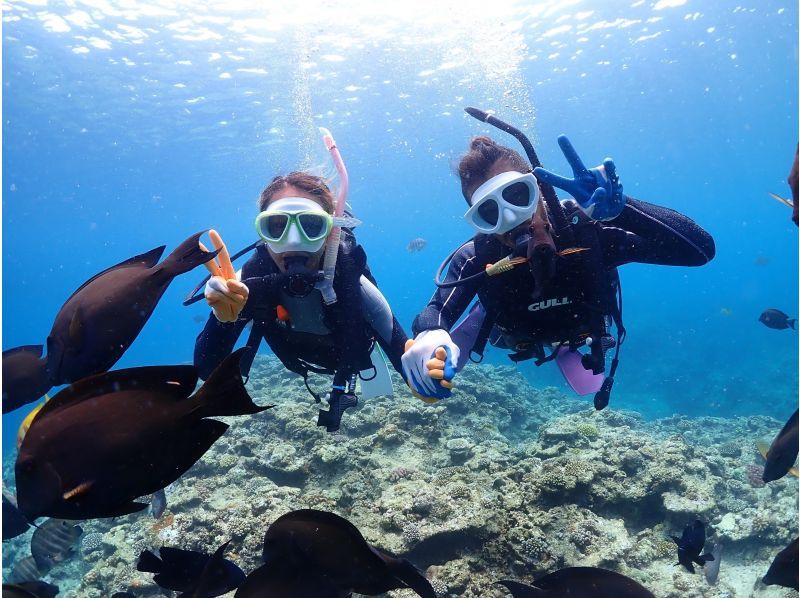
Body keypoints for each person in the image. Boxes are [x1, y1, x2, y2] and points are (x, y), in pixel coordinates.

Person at [402, 112, 715, 409]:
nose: (511, 219)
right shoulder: (478, 257)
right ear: (480, 223)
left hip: (581, 330)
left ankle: (565, 346)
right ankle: (481, 315)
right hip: (514, 335)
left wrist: (624, 210)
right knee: (487, 309)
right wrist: (431, 334)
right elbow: (435, 310)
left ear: (539, 189)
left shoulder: (589, 234)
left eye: (518, 196)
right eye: (489, 212)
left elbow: (698, 251)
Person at [193, 133, 407, 432]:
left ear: (331, 232)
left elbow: (410, 365)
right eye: (277, 227)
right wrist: (223, 319)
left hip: (351, 355)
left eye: (311, 226)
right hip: (298, 358)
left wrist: (427, 365)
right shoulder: (244, 284)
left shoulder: (348, 278)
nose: (293, 242)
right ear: (263, 233)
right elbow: (205, 368)